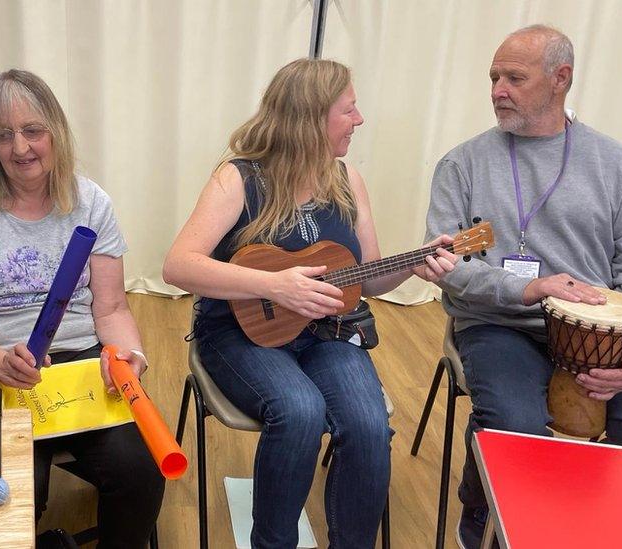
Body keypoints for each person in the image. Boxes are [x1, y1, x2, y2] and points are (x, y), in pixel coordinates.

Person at [164, 58, 456, 548]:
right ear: (311, 118)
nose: (359, 119)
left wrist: (414, 265)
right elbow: (178, 266)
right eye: (349, 109)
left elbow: (368, 277)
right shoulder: (238, 179)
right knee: (299, 412)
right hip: (241, 333)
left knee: (367, 426)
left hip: (328, 332)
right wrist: (273, 286)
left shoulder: (347, 180)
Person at [0, 69, 164, 548]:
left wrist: (130, 355)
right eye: (4, 135)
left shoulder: (91, 202)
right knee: (11, 496)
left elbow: (111, 308)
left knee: (142, 472)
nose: (20, 148)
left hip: (76, 364)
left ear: (56, 131)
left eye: (33, 131)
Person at [424, 25, 622, 548]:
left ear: (560, 80)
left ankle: (595, 528)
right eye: (494, 77)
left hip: (601, 334)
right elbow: (449, 266)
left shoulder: (617, 165)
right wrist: (529, 288)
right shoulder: (461, 163)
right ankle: (484, 522)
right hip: (500, 324)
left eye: (514, 77)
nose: (497, 89)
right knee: (514, 422)